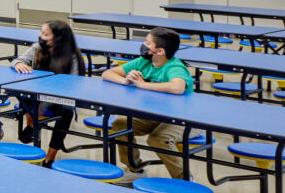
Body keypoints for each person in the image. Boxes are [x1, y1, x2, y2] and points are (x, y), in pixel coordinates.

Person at [100, 26, 193, 181]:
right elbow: (107, 73)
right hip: (156, 115)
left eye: (148, 43)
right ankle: (135, 171)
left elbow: (177, 87)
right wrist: (126, 80)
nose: (143, 45)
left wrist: (142, 84)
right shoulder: (143, 61)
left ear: (160, 51)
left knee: (157, 139)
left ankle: (185, 181)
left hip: (185, 118)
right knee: (120, 125)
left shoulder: (174, 66)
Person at [13, 19, 86, 165]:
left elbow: (71, 86)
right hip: (37, 94)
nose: (40, 36)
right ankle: (33, 124)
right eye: (41, 32)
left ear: (58, 38)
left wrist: (44, 105)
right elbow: (19, 59)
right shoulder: (37, 48)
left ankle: (50, 156)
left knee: (67, 112)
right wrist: (19, 64)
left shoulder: (71, 55)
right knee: (18, 91)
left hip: (60, 97)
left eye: (45, 34)